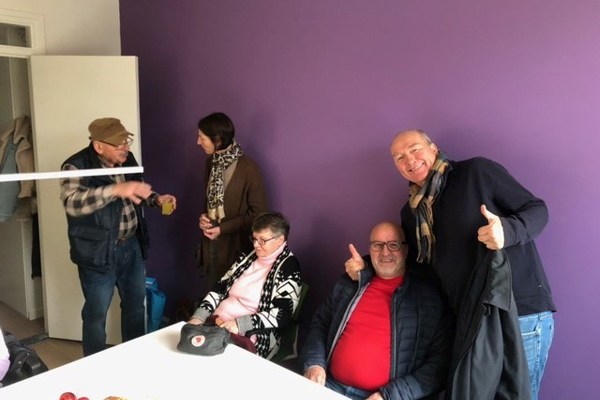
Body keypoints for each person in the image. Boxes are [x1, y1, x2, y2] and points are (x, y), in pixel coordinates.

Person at [351, 129, 555, 399]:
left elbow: (538, 210)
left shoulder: (477, 173)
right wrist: (367, 267)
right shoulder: (411, 213)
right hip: (468, 322)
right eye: (399, 157)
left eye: (414, 149)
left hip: (520, 313)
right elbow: (413, 266)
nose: (409, 160)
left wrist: (507, 231)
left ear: (433, 149)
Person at [60, 117, 177, 356]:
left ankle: (132, 359)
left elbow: (136, 191)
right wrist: (114, 189)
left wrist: (156, 199)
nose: (125, 148)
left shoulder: (127, 159)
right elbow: (72, 203)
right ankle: (93, 365)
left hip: (131, 246)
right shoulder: (75, 166)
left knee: (135, 307)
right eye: (119, 144)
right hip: (97, 252)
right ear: (98, 146)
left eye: (126, 141)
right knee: (96, 314)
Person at [301, 221, 451, 400]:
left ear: (405, 250)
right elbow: (321, 323)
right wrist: (314, 363)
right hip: (328, 385)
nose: (385, 252)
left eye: (393, 245)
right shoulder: (350, 283)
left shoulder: (427, 300)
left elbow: (438, 366)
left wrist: (389, 395)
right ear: (370, 249)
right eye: (377, 245)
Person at [188, 212, 302, 359]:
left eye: (262, 240)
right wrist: (200, 316)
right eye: (254, 238)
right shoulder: (248, 255)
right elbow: (220, 287)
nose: (256, 245)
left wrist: (240, 324)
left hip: (251, 334)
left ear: (280, 240)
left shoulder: (289, 267)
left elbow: (282, 314)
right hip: (216, 322)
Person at [196, 112, 269, 289]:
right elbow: (209, 201)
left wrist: (222, 229)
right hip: (211, 246)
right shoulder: (210, 163)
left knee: (230, 298)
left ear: (217, 139)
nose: (198, 142)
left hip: (236, 250)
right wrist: (204, 216)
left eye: (202, 138)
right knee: (213, 294)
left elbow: (259, 214)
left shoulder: (248, 168)